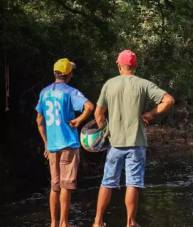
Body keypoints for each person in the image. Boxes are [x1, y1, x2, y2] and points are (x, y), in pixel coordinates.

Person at [93, 50, 175, 227]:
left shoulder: (109, 84)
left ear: (119, 66)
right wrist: (151, 114)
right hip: (136, 142)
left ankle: (98, 221)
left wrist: (104, 133)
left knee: (107, 182)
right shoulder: (144, 84)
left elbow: (98, 114)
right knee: (133, 183)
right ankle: (130, 222)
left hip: (114, 143)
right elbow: (168, 100)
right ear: (135, 66)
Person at [36, 58, 94, 227]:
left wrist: (46, 143)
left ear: (55, 73)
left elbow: (39, 119)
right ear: (69, 75)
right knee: (66, 186)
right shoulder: (70, 92)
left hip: (52, 145)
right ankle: (64, 223)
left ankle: (53, 223)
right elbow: (89, 107)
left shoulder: (44, 92)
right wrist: (79, 120)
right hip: (68, 143)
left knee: (54, 186)